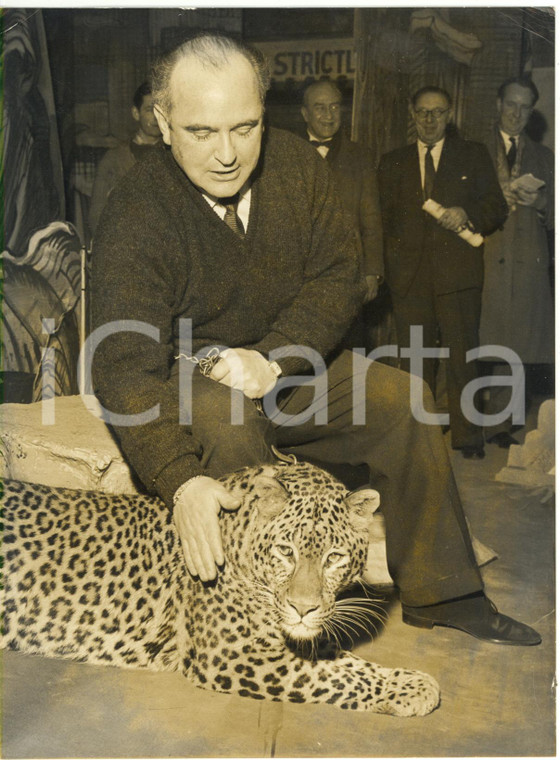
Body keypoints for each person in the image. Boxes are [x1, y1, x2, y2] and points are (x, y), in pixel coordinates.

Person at [91, 33, 539, 646]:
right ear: (163, 122)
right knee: (229, 431)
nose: (227, 153)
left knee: (408, 402)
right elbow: (122, 365)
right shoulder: (135, 210)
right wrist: (179, 480)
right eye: (201, 132)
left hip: (287, 359)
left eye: (245, 128)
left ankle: (445, 592)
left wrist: (273, 360)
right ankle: (257, 620)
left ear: (264, 113)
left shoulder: (298, 165)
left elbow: (338, 277)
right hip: (191, 372)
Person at [378, 87, 508, 460]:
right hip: (410, 280)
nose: (430, 120)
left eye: (437, 112)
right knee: (414, 361)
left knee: (462, 358)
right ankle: (417, 437)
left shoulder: (473, 154)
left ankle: (467, 437)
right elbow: (383, 221)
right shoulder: (393, 162)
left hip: (459, 278)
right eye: (422, 113)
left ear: (449, 114)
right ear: (412, 114)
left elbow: (496, 207)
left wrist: (467, 215)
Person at [479, 77, 555, 448]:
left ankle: (500, 424)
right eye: (511, 104)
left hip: (526, 261)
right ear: (498, 104)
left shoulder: (546, 157)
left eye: (525, 107)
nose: (517, 113)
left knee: (516, 346)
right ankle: (460, 419)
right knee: (477, 341)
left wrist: (541, 204)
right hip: (484, 254)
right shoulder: (475, 149)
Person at [300, 79, 384, 350]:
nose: (328, 115)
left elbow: (371, 218)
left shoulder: (360, 156)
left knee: (350, 349)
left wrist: (372, 271)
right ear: (305, 114)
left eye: (334, 107)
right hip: (300, 273)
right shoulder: (287, 153)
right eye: (320, 108)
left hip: (348, 272)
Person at [89, 81, 162, 233]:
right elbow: (96, 218)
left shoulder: (177, 156)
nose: (156, 117)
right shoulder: (113, 159)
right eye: (149, 110)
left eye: (160, 110)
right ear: (136, 113)